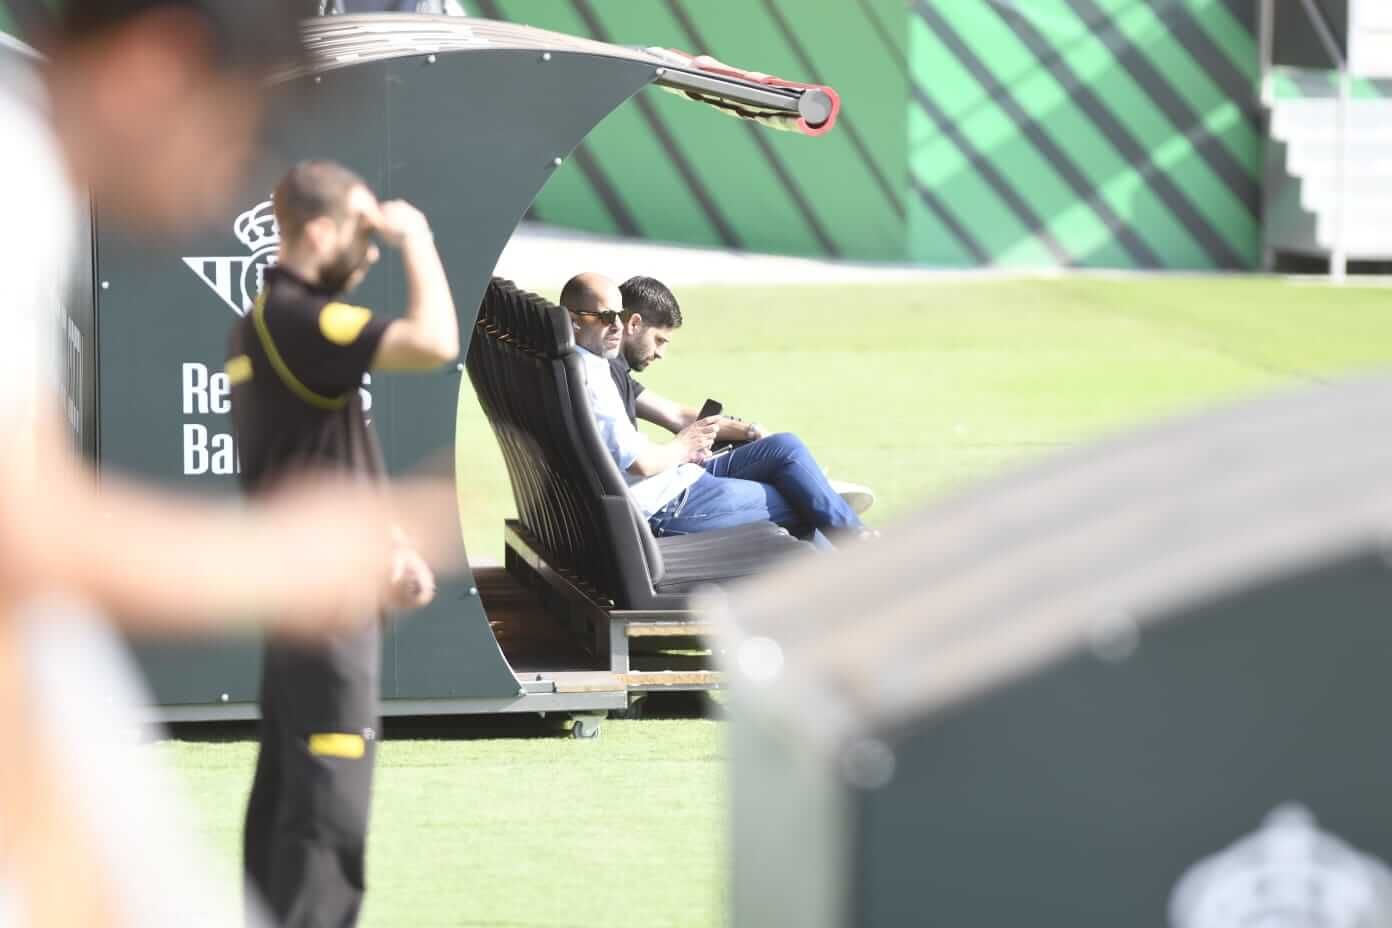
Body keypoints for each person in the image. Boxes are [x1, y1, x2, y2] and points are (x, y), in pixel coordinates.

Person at [0, 5, 457, 925]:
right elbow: (24, 530)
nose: (234, 177)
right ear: (157, 62)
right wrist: (291, 557)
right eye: (244, 118)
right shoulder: (18, 174)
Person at [230, 160, 460, 928]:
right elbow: (433, 343)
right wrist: (417, 237)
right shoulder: (301, 320)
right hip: (324, 603)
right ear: (320, 230)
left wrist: (387, 542)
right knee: (326, 807)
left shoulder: (277, 321)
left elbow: (319, 454)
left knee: (291, 798)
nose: (371, 251)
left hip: (315, 590)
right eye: (364, 234)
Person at [560, 272, 868, 549]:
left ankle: (829, 504)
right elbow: (641, 463)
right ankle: (854, 538)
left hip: (672, 481)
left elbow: (676, 415)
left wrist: (750, 432)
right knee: (804, 501)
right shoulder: (596, 375)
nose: (617, 325)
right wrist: (683, 445)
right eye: (606, 317)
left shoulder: (594, 365)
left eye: (618, 315)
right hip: (663, 505)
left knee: (785, 448)